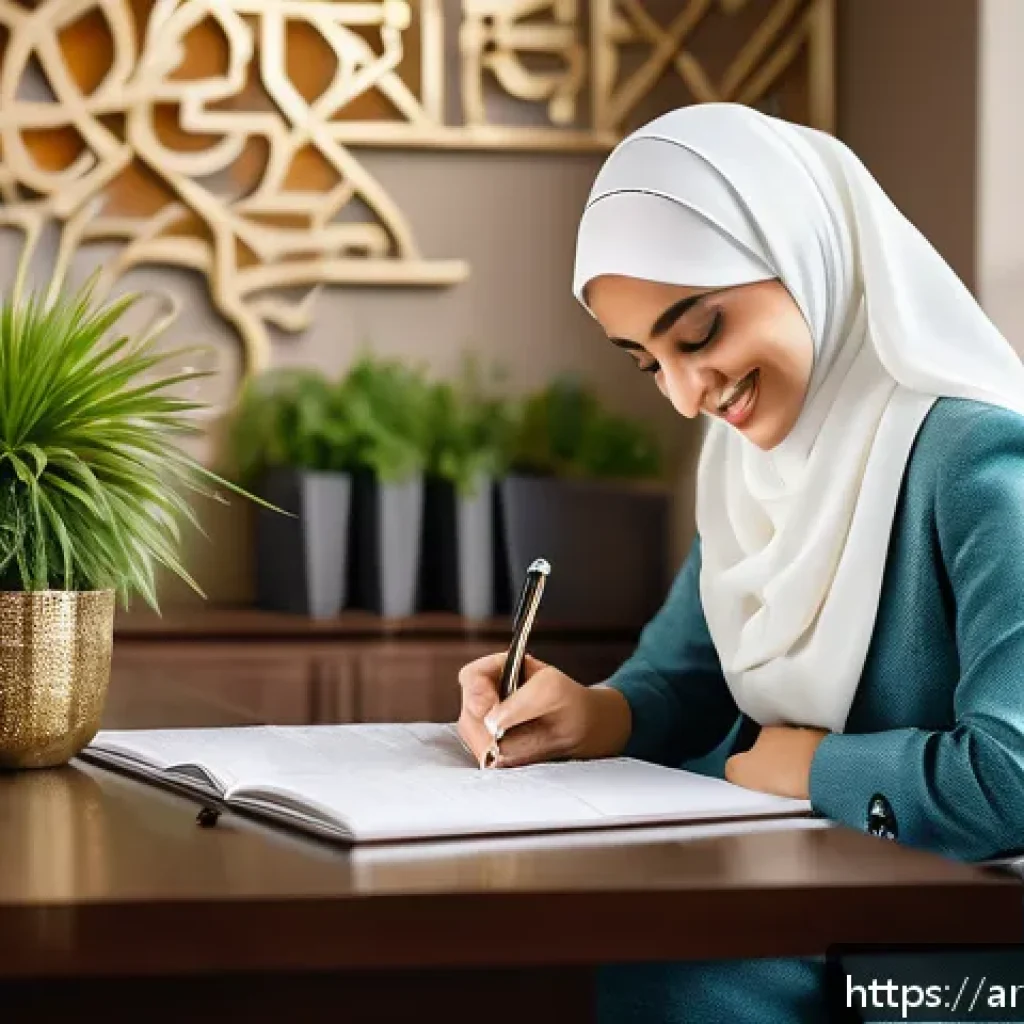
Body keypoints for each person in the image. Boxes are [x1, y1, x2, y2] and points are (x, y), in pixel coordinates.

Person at [456, 102, 1024, 1022]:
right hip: (806, 897)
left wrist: (813, 770)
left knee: (668, 983)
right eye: (648, 364)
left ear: (806, 252)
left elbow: (1014, 778)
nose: (686, 395)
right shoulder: (752, 464)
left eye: (700, 333)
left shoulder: (975, 462)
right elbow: (687, 678)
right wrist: (588, 714)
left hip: (958, 957)